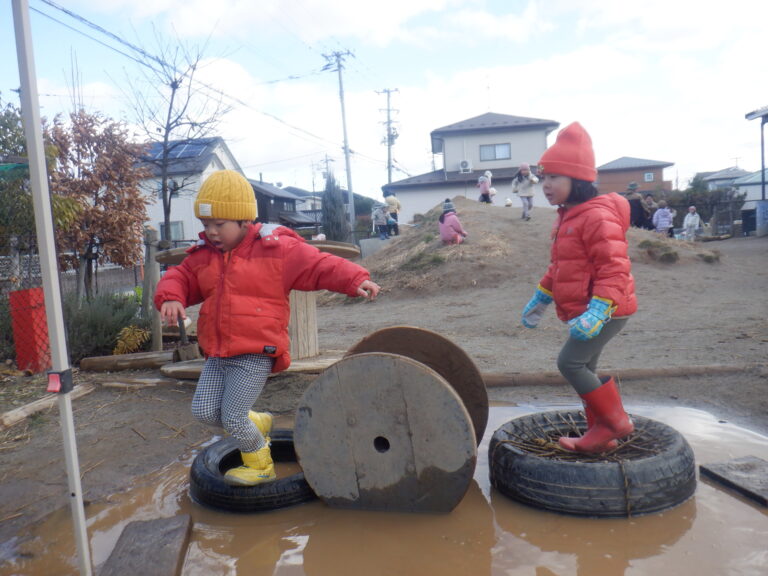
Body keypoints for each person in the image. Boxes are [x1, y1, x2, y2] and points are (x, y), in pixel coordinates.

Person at [155, 170, 380, 486]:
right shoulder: (203, 257)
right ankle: (258, 422)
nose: (212, 232)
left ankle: (260, 464)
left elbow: (319, 264)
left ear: (244, 220)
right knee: (205, 411)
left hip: (255, 351)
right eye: (207, 225)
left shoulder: (276, 249)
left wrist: (356, 279)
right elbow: (178, 277)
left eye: (220, 225)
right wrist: (170, 298)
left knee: (232, 416)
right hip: (218, 353)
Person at [521, 122, 636, 453]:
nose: (546, 185)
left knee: (569, 364)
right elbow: (560, 268)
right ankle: (601, 435)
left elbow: (614, 267)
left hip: (607, 310)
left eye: (554, 177)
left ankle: (615, 422)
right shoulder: (566, 216)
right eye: (543, 178)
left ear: (580, 179)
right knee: (586, 368)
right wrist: (542, 296)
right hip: (591, 310)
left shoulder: (596, 217)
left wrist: (600, 308)